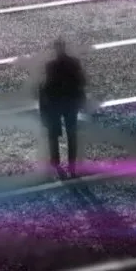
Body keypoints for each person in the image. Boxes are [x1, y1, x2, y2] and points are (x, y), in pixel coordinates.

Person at [39, 37, 87, 177]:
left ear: (55, 49)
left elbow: (47, 86)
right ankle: (71, 166)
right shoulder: (74, 63)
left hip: (56, 104)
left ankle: (55, 161)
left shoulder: (50, 66)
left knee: (53, 133)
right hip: (70, 103)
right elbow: (82, 82)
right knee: (71, 134)